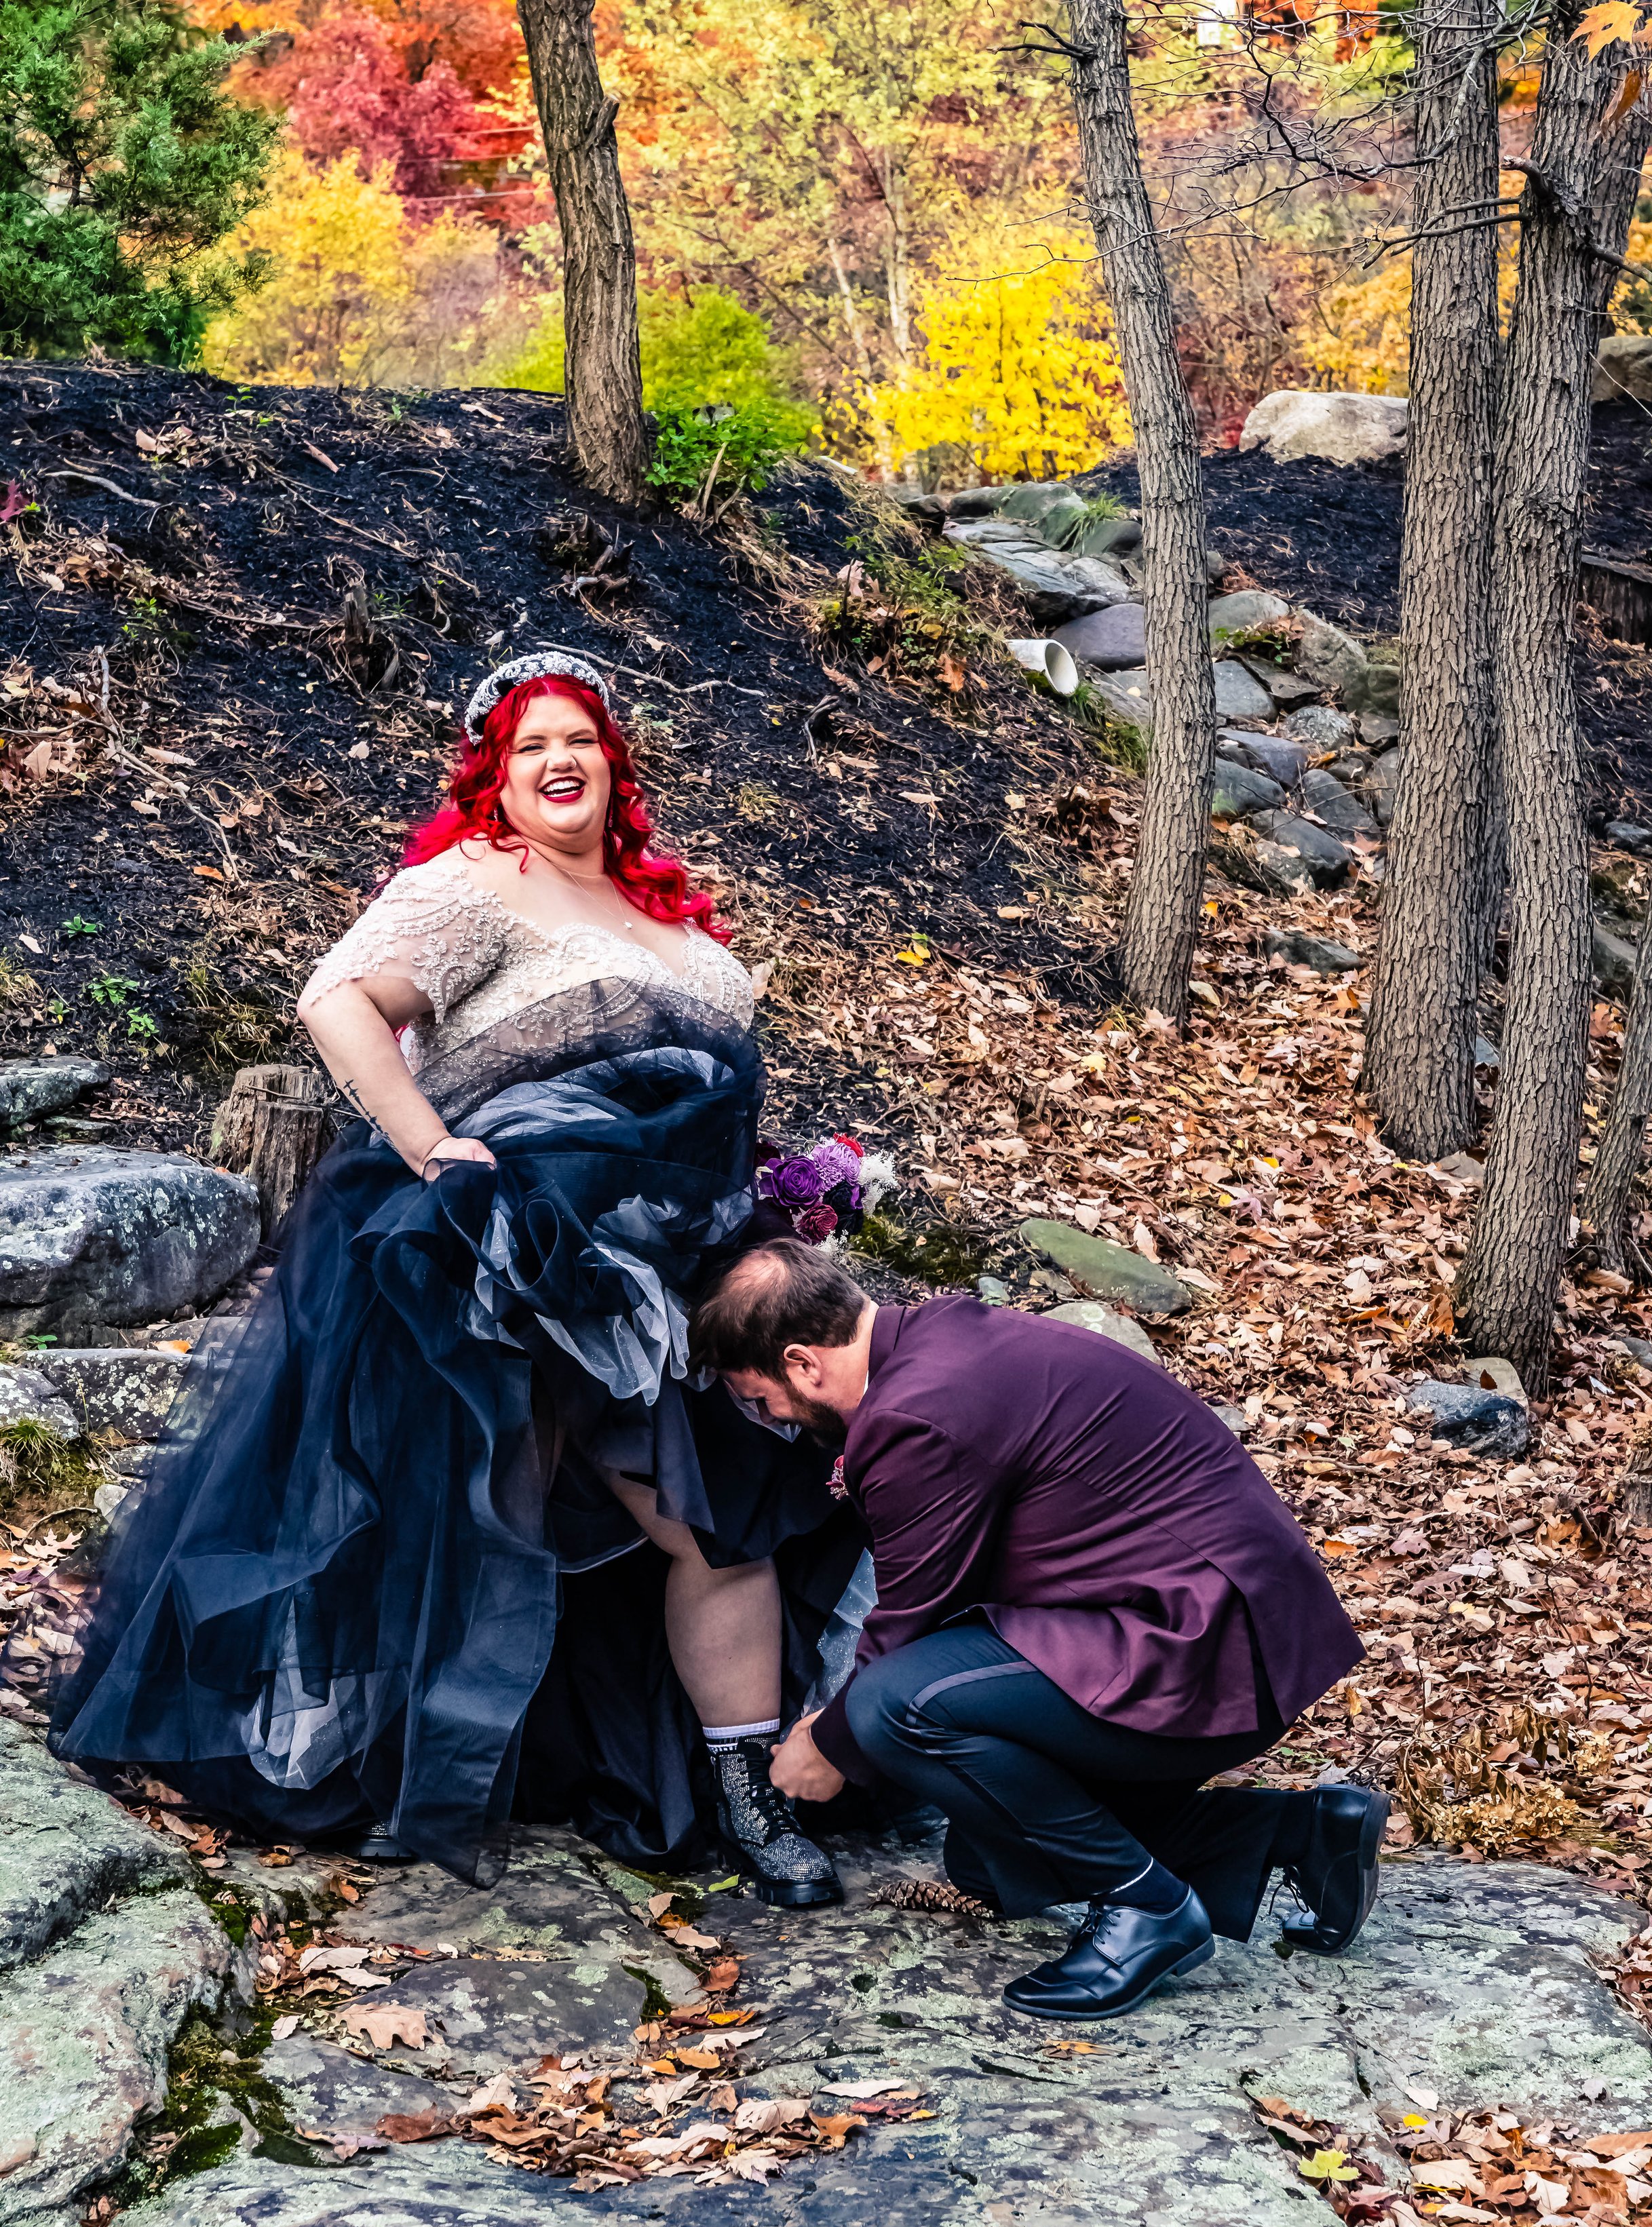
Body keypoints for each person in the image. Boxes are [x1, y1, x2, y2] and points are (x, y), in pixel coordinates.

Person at [50, 654, 861, 1903]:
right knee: (464, 1512)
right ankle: (407, 1773)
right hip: (503, 1260)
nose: (558, 760)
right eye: (529, 745)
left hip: (675, 1275)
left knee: (720, 1518)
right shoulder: (481, 880)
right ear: (495, 774)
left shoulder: (675, 919)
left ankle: (750, 1797)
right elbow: (337, 1002)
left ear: (614, 762)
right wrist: (434, 1150)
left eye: (578, 738)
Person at [689, 1241, 1379, 2019]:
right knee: (986, 1856)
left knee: (891, 1707)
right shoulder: (941, 1341)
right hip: (1232, 1627)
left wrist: (827, 1743)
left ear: (802, 1363)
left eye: (761, 1399)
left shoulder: (915, 1414)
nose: (772, 1419)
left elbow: (909, 1620)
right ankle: (1301, 1834)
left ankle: (1145, 1907)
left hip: (1199, 1646)